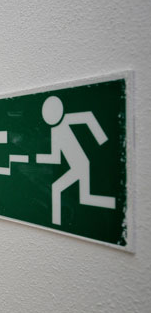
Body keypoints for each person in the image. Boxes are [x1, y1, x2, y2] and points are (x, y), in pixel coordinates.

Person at [36, 96, 115, 225]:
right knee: (80, 193)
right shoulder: (55, 130)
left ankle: (59, 219)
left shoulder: (67, 121)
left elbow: (88, 119)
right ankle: (58, 219)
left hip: (80, 165)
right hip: (78, 166)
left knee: (67, 190)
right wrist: (40, 158)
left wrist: (101, 138)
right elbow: (55, 155)